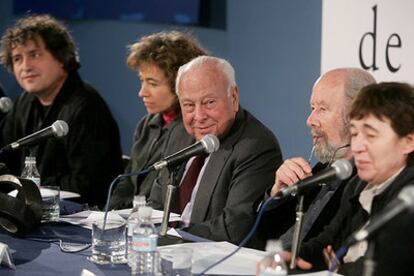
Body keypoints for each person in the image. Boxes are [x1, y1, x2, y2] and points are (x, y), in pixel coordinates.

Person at [282, 82, 414, 275]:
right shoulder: (358, 185)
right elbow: (327, 241)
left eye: (371, 135)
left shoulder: (409, 196)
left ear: (408, 142)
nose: (358, 146)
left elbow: (382, 265)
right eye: (354, 133)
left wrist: (338, 267)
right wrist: (290, 257)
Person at [149, 56, 283, 244]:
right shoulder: (178, 134)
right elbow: (156, 205)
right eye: (189, 105)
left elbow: (232, 228)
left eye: (209, 102)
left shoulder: (255, 146)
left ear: (234, 97)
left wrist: (170, 238)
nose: (199, 116)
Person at [0, 14, 123, 207]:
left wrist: (31, 188)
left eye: (35, 55)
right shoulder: (25, 102)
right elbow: (6, 161)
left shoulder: (86, 107)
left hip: (76, 218)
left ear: (61, 58)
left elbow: (88, 186)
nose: (25, 66)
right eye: (17, 59)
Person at [252, 68, 376, 249]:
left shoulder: (367, 182)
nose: (310, 120)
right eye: (312, 108)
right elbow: (262, 235)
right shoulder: (319, 171)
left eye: (322, 109)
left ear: (356, 116)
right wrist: (277, 195)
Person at [108, 31, 208, 210]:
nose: (142, 93)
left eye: (153, 84)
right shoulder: (147, 124)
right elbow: (127, 182)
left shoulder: (194, 131)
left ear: (181, 85)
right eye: (142, 81)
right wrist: (111, 214)